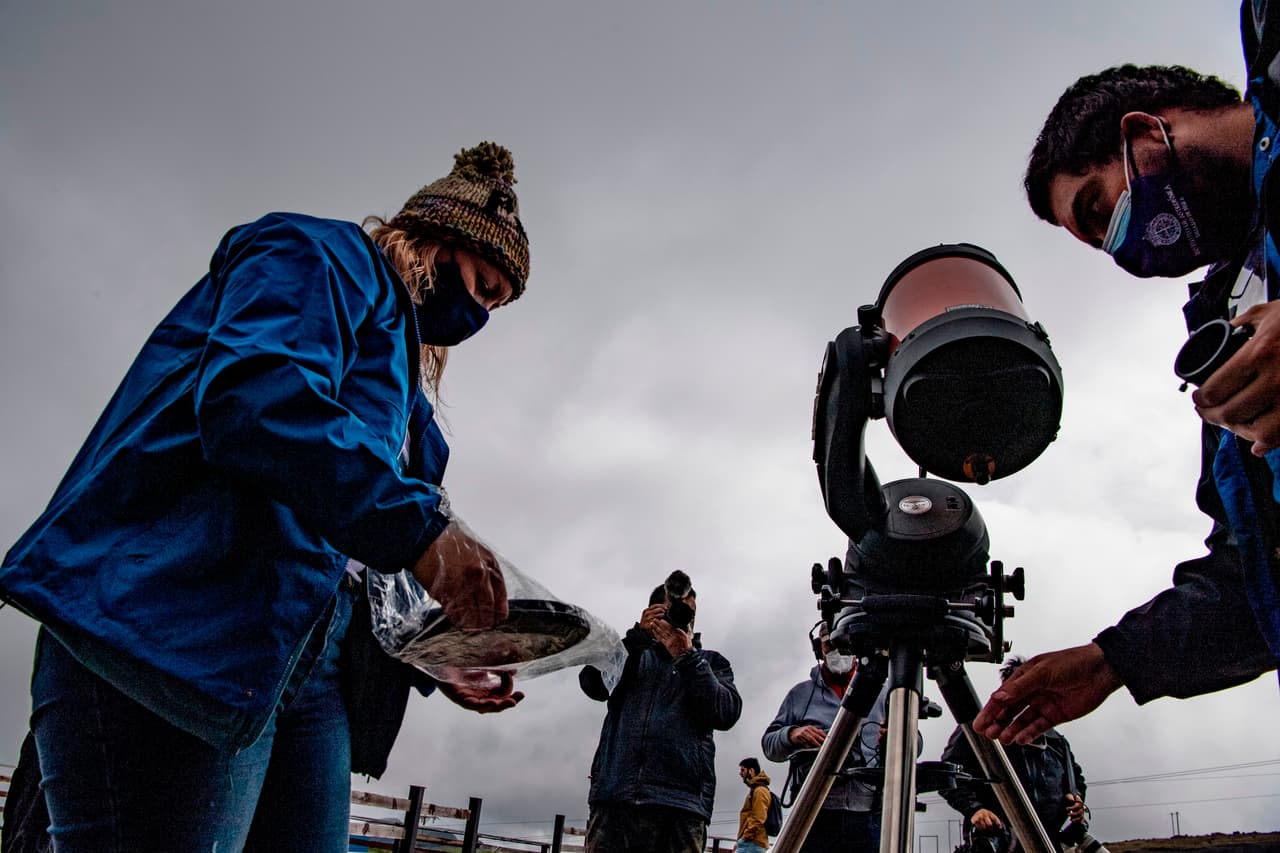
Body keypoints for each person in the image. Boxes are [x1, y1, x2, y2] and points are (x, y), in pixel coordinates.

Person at [0, 141, 531, 852]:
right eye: (482, 284)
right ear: (436, 237)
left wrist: (432, 652)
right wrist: (424, 532)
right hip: (179, 626)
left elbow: (362, 561)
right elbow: (256, 399)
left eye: (496, 304)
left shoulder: (414, 420)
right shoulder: (317, 255)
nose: (479, 315)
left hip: (307, 663)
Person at [973, 4, 1280, 747]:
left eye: (1099, 209)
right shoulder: (1229, 321)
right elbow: (1252, 579)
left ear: (1144, 133)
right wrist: (1114, 661)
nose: (1124, 249)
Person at [578, 570, 743, 853]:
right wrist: (636, 639)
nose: (682, 618)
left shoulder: (711, 663)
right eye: (672, 611)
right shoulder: (630, 655)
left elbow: (725, 713)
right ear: (652, 614)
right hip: (616, 799)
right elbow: (593, 683)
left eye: (688, 613)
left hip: (681, 806)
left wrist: (687, 657)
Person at [760, 622, 888, 853]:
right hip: (814, 815)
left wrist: (893, 738)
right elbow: (769, 745)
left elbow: (915, 742)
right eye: (830, 645)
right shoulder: (800, 694)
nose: (837, 650)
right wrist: (792, 734)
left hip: (869, 815)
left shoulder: (884, 692)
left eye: (844, 643)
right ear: (819, 648)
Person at [940, 657, 1091, 853]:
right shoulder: (981, 731)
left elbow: (1077, 782)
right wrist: (974, 808)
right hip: (998, 843)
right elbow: (948, 774)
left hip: (1048, 843)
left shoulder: (1057, 742)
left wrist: (1077, 800)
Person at [736, 757, 773, 853]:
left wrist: (745, 837)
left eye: (743, 770)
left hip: (752, 843)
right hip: (751, 842)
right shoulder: (756, 790)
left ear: (751, 771)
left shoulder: (760, 791)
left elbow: (758, 818)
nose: (741, 774)